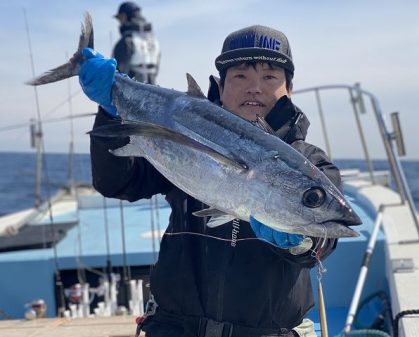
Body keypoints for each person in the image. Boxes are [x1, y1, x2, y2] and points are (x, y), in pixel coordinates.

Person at [79, 24, 342, 337]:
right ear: (221, 85)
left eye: (269, 77)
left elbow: (326, 236)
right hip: (175, 328)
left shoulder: (311, 162)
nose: (254, 88)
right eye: (240, 76)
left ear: (289, 88)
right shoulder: (185, 136)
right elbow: (117, 183)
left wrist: (302, 242)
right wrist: (110, 110)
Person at [113, 1, 161, 84]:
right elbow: (156, 68)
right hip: (154, 91)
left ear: (125, 16)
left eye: (120, 18)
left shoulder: (127, 40)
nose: (120, 23)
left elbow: (119, 73)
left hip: (132, 92)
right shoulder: (154, 40)